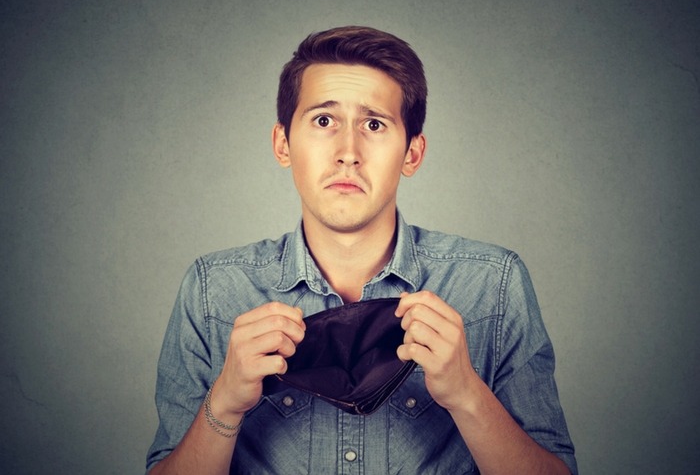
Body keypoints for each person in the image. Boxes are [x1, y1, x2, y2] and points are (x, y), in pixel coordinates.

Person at [146, 26, 577, 474]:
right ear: (282, 144)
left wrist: (467, 395)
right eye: (324, 121)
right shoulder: (212, 291)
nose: (348, 152)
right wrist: (224, 404)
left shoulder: (494, 285)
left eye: (374, 124)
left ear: (412, 154)